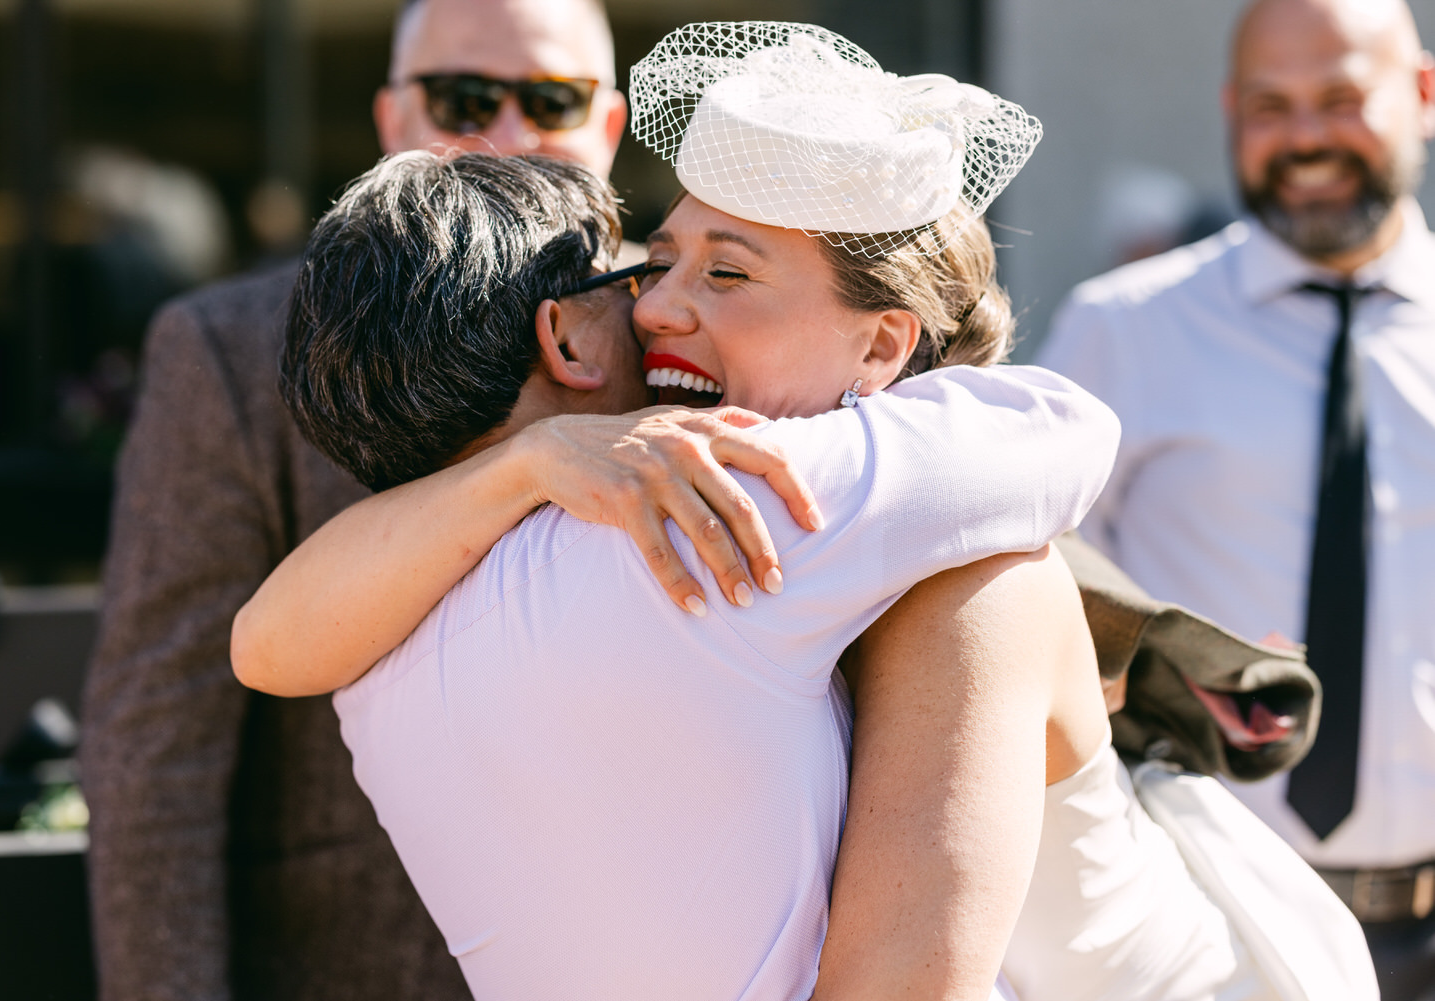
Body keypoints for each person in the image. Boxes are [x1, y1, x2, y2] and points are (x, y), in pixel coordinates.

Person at [235, 23, 1291, 1000]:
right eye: (647, 268)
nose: (655, 304)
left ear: (884, 346)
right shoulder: (718, 508)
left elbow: (266, 642)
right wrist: (537, 459)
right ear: (561, 340)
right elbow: (1058, 424)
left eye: (717, 269)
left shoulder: (375, 642)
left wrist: (524, 464)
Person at [78, 1, 684, 998]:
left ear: (608, 128)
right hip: (358, 963)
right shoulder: (229, 348)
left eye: (551, 97)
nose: (507, 129)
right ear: (391, 118)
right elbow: (157, 746)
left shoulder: (675, 320)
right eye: (462, 97)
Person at [1038, 0, 1435, 997]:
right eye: (1270, 105)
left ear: (1423, 94)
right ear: (1229, 110)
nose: (1304, 137)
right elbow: (1035, 585)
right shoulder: (1123, 331)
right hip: (1213, 925)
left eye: (1341, 99)